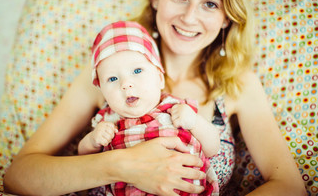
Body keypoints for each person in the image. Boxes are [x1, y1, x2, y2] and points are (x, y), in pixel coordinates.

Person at [3, 0, 307, 195]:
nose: (189, 17)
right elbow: (19, 176)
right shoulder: (110, 72)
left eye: (210, 3)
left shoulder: (236, 84)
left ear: (227, 17)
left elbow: (289, 187)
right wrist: (121, 165)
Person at [78, 21, 220, 196]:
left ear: (160, 78)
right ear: (103, 91)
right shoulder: (108, 121)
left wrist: (194, 121)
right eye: (113, 79)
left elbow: (213, 148)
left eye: (137, 71)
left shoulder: (176, 109)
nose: (126, 84)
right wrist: (92, 140)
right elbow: (82, 156)